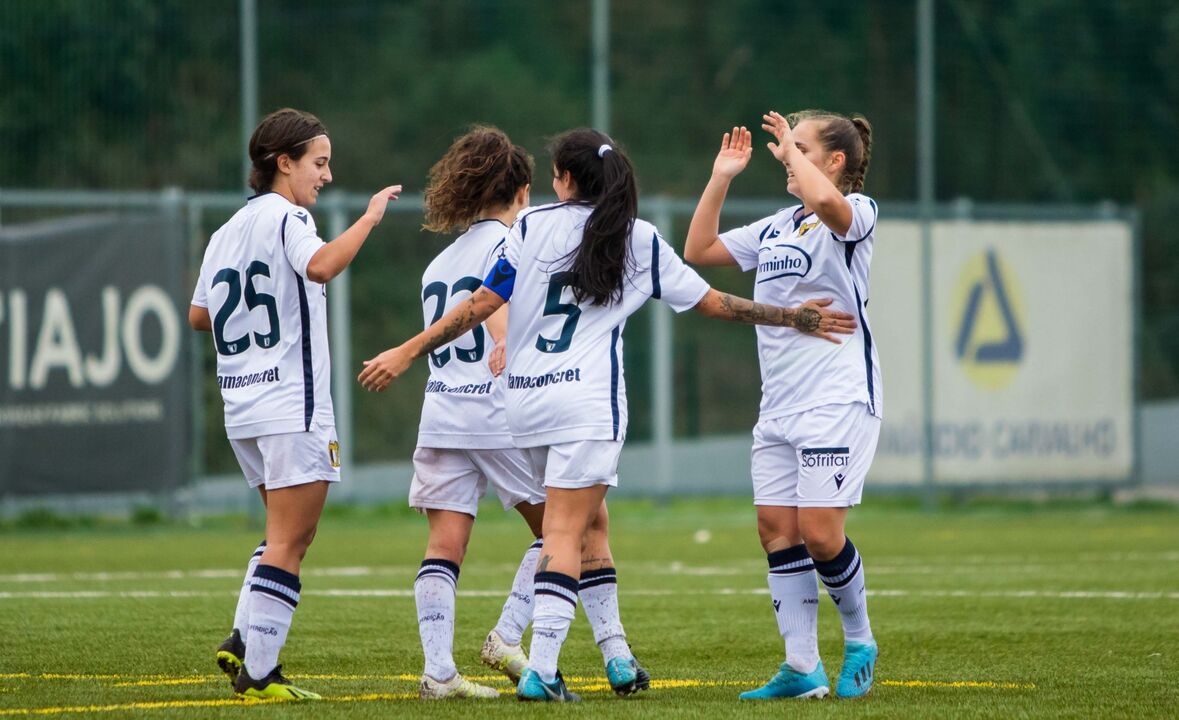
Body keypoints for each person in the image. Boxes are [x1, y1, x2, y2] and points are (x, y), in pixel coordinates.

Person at [358, 128, 856, 703]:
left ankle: (607, 655)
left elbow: (482, 303)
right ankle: (541, 669)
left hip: (524, 404)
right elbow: (714, 304)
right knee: (566, 531)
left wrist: (407, 349)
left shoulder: (530, 226)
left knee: (576, 528)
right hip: (586, 408)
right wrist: (791, 317)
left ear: (566, 180)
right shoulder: (635, 237)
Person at [409, 126, 650, 700]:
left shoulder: (438, 262)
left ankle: (439, 671)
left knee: (444, 545)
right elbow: (497, 301)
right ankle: (522, 640)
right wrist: (501, 342)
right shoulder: (522, 237)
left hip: (442, 412)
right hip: (499, 413)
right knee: (577, 527)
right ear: (521, 190)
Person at [188, 107, 401, 700]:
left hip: (243, 407)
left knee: (283, 534)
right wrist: (369, 219)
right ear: (284, 163)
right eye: (319, 162)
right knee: (291, 540)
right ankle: (259, 672)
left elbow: (199, 315)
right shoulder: (289, 217)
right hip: (291, 404)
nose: (326, 175)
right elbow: (322, 263)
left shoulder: (225, 230)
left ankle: (242, 639)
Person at [684, 110, 880, 700]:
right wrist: (722, 176)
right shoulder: (775, 227)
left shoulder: (858, 213)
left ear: (835, 161)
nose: (783, 157)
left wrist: (791, 158)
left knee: (821, 533)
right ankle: (802, 668)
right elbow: (699, 248)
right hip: (779, 406)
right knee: (776, 529)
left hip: (836, 397)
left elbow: (831, 208)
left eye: (798, 147)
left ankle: (860, 639)